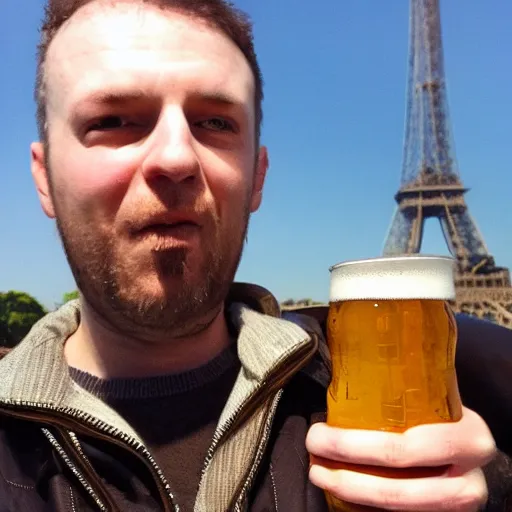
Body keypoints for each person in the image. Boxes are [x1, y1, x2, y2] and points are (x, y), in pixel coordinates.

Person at [0, 0, 510, 510]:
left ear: (258, 176)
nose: (175, 157)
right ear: (44, 177)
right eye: (112, 119)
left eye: (216, 123)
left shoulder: (356, 404)